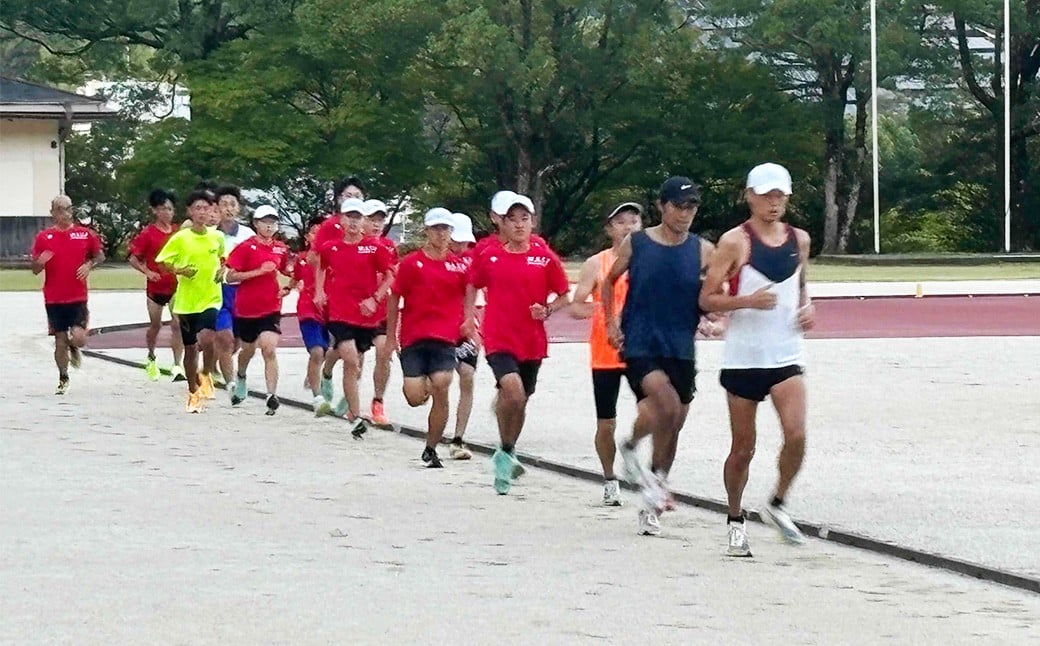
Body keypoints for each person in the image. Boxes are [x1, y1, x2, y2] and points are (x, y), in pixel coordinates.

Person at [699, 162, 814, 557]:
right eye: (766, 195)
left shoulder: (800, 239)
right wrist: (746, 301)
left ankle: (778, 502)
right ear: (749, 196)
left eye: (780, 195)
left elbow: (801, 287)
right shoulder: (734, 242)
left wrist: (807, 309)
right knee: (743, 447)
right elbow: (707, 298)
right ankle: (734, 517)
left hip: (786, 353)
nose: (773, 202)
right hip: (744, 359)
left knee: (796, 435)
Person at [603, 177, 715, 536]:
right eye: (679, 206)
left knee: (675, 420)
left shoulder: (703, 249)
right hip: (640, 343)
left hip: (680, 345)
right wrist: (610, 321)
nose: (685, 214)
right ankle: (652, 483)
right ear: (662, 206)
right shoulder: (637, 243)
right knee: (665, 406)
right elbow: (608, 281)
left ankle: (651, 480)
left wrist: (714, 314)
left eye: (691, 207)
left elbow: (714, 291)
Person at [464, 193, 570, 494]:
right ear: (503, 224)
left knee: (520, 400)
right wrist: (468, 316)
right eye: (513, 219)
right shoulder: (490, 255)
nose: (520, 224)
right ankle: (505, 450)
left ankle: (507, 450)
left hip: (531, 339)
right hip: (499, 336)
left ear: (532, 222)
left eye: (525, 219)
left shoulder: (543, 256)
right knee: (512, 390)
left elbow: (564, 294)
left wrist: (547, 309)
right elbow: (473, 282)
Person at [570, 201, 644, 505]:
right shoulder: (596, 263)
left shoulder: (648, 260)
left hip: (641, 349)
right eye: (621, 222)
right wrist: (605, 310)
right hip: (606, 351)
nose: (628, 227)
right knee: (606, 421)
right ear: (609, 228)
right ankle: (609, 477)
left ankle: (637, 457)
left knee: (653, 410)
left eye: (634, 221)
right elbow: (576, 305)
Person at [386, 208, 471, 467]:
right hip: (414, 337)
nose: (441, 234)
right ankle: (422, 387)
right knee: (414, 397)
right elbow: (394, 296)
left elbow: (470, 289)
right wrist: (391, 336)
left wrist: (469, 319)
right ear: (426, 231)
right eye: (436, 229)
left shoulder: (459, 264)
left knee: (443, 383)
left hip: (445, 337)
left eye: (445, 229)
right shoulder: (412, 263)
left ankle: (431, 447)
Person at [314, 200, 396, 436]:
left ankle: (371, 401)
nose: (353, 221)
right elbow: (320, 265)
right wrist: (320, 291)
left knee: (371, 355)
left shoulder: (375, 248)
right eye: (349, 216)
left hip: (367, 315)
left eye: (357, 217)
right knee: (351, 359)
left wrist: (375, 298)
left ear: (363, 221)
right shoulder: (331, 247)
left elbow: (391, 275)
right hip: (340, 312)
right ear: (340, 220)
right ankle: (356, 414)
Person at [155, 190, 225, 413]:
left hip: (211, 297)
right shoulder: (181, 238)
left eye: (206, 208)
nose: (202, 212)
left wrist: (222, 269)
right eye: (198, 208)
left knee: (208, 338)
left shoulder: (217, 237)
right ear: (189, 212)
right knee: (190, 349)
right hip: (186, 302)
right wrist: (180, 270)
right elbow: (163, 262)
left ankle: (207, 373)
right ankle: (193, 391)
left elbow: (225, 259)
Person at [30, 195, 105, 394]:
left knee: (80, 337)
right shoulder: (44, 237)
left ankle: (75, 347)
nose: (65, 213)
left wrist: (89, 265)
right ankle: (63, 377)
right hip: (54, 297)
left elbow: (99, 255)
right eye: (60, 209)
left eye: (68, 209)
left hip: (77, 296)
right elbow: (34, 269)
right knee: (59, 339)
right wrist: (41, 262)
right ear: (53, 213)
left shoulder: (84, 234)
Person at [225, 205, 293, 415]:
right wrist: (257, 272)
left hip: (271, 306)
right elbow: (230, 276)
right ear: (256, 224)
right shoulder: (245, 247)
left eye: (273, 221)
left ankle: (271, 395)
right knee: (248, 350)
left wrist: (289, 286)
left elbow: (288, 269)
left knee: (269, 348)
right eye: (265, 221)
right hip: (246, 308)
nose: (269, 225)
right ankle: (242, 375)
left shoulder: (280, 248)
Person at [128, 189, 185, 382]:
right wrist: (148, 272)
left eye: (169, 209)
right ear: (154, 210)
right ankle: (151, 355)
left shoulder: (179, 233)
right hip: (155, 288)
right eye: (162, 209)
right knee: (156, 325)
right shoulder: (148, 234)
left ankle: (177, 365)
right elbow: (134, 259)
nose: (166, 213)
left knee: (178, 324)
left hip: (176, 285)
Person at [213, 185, 254, 392]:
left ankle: (216, 366)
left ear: (238, 208)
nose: (228, 209)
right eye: (223, 204)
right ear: (216, 208)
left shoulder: (247, 235)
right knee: (224, 337)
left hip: (243, 292)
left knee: (237, 341)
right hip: (219, 291)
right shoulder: (210, 234)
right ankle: (230, 383)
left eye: (232, 204)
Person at [361, 199, 398, 425]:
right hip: (356, 311)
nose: (376, 225)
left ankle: (378, 401)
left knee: (384, 352)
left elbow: (393, 275)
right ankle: (350, 397)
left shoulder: (389, 246)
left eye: (380, 220)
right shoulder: (352, 243)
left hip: (381, 310)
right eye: (371, 220)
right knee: (353, 358)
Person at [289, 215, 331, 411]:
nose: (319, 236)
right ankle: (318, 397)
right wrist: (285, 289)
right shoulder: (301, 259)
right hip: (308, 309)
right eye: (315, 232)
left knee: (328, 351)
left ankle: (316, 375)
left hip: (331, 310)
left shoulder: (336, 257)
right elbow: (294, 279)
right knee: (317, 351)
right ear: (308, 237)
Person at [445, 212, 478, 460]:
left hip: (466, 329)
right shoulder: (435, 259)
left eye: (465, 242)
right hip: (439, 330)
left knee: (467, 376)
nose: (461, 246)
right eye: (457, 241)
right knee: (439, 382)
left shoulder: (473, 261)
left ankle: (458, 437)